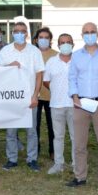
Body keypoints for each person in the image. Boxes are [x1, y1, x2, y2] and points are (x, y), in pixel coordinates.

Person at [66, 22, 98, 194]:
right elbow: (72, 77)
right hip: (80, 104)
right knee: (79, 144)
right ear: (82, 35)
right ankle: (80, 177)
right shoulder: (76, 56)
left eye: (92, 32)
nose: (89, 34)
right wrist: (74, 97)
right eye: (86, 32)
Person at [0, 21, 44, 172]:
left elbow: (39, 74)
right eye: (16, 31)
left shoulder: (34, 51)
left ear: (27, 34)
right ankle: (12, 159)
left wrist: (35, 96)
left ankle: (32, 159)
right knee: (11, 132)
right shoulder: (5, 51)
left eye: (22, 31)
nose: (19, 33)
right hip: (11, 99)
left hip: (30, 98)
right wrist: (8, 66)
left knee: (32, 131)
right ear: (12, 33)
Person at [43, 33, 76, 175]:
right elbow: (46, 81)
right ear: (58, 45)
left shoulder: (78, 60)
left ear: (73, 44)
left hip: (75, 105)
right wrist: (56, 90)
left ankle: (77, 164)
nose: (65, 44)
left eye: (68, 42)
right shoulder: (51, 61)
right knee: (58, 136)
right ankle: (58, 164)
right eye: (62, 42)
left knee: (76, 137)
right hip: (56, 104)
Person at [33, 27, 57, 160]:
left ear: (50, 40)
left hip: (51, 95)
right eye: (40, 37)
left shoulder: (56, 55)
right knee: (34, 125)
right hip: (35, 95)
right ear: (36, 40)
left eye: (46, 37)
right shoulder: (31, 52)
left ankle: (53, 151)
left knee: (52, 125)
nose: (43, 40)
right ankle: (35, 150)